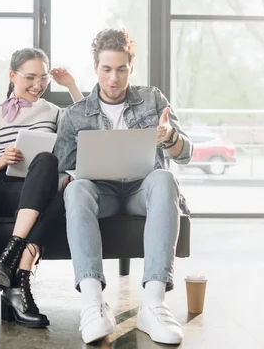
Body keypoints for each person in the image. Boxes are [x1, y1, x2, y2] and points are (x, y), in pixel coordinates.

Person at [54, 28, 192, 345]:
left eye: (121, 69)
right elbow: (59, 171)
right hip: (102, 195)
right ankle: (92, 303)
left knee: (165, 177)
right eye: (106, 69)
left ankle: (154, 304)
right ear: (96, 69)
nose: (113, 78)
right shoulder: (76, 114)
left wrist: (169, 138)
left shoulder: (153, 99)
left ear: (131, 67)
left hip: (140, 193)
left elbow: (185, 155)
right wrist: (74, 176)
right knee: (76, 189)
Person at [0, 48, 83, 328]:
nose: (38, 85)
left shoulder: (53, 112)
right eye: (30, 77)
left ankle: (13, 267)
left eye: (44, 78)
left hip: (41, 186)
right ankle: (19, 270)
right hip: (2, 188)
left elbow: (87, 121)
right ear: (12, 76)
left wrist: (70, 85)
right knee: (50, 176)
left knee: (56, 171)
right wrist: (1, 160)